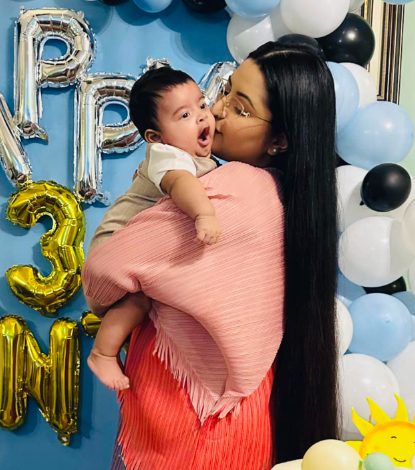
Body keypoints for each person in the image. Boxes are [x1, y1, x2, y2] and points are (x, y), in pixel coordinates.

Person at [82, 41, 340, 469]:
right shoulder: (285, 199)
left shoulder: (234, 189)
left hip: (184, 425)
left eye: (240, 108)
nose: (215, 112)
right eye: (224, 92)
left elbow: (103, 272)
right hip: (237, 420)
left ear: (279, 140)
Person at [87, 65, 221, 391]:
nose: (201, 117)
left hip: (136, 245)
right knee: (138, 299)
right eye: (185, 115)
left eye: (202, 105)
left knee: (149, 303)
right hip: (114, 242)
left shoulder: (194, 155)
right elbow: (181, 184)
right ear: (155, 137)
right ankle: (102, 353)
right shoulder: (167, 156)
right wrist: (204, 214)